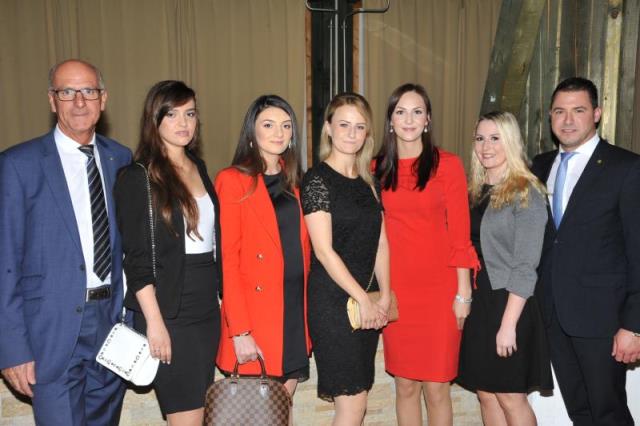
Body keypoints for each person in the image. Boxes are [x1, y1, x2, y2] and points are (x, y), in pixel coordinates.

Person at [0, 59, 132, 425]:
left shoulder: (121, 159)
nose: (79, 102)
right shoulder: (18, 164)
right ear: (51, 99)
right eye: (67, 92)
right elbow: (4, 261)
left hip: (111, 325)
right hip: (50, 331)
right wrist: (12, 348)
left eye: (88, 91)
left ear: (103, 98)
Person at [531, 77, 640, 425]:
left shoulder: (627, 168)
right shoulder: (539, 165)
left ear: (596, 114)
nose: (567, 120)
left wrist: (634, 326)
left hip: (603, 320)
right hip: (553, 313)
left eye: (578, 110)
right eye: (559, 112)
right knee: (579, 411)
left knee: (609, 413)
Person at [114, 80, 221, 425]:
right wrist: (155, 323)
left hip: (207, 309)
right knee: (186, 416)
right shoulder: (138, 177)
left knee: (201, 413)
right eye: (172, 114)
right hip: (170, 311)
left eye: (190, 114)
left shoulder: (198, 166)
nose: (183, 123)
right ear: (154, 119)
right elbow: (136, 260)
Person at [373, 83, 476, 426]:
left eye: (417, 112)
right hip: (397, 290)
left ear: (428, 119)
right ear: (390, 120)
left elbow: (460, 235)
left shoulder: (448, 165)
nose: (409, 120)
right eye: (400, 112)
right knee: (404, 386)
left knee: (437, 388)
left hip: (440, 292)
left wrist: (463, 293)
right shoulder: (376, 168)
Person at [214, 95, 311, 414]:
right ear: (251, 132)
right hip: (256, 319)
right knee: (259, 416)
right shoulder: (232, 180)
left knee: (280, 413)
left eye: (286, 126)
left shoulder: (296, 181)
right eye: (268, 125)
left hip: (293, 314)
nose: (279, 133)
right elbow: (228, 260)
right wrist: (240, 331)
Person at [456, 111, 552, 426]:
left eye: (495, 138)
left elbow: (526, 265)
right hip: (481, 300)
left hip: (511, 302)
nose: (486, 147)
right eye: (480, 138)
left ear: (510, 141)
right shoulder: (474, 190)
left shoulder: (526, 191)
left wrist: (508, 324)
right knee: (486, 393)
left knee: (510, 396)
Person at [302, 92, 391, 425]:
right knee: (352, 405)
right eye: (344, 125)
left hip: (366, 299)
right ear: (328, 128)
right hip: (333, 303)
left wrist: (384, 296)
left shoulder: (370, 182)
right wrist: (363, 300)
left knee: (359, 401)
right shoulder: (317, 180)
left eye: (360, 126)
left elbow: (381, 243)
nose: (352, 134)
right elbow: (324, 252)